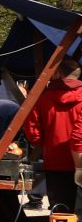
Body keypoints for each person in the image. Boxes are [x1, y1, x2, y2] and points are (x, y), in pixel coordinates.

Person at [23, 59, 82, 213]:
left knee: (60, 211)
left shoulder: (43, 98)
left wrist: (42, 144)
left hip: (54, 160)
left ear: (58, 74)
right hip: (79, 161)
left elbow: (31, 128)